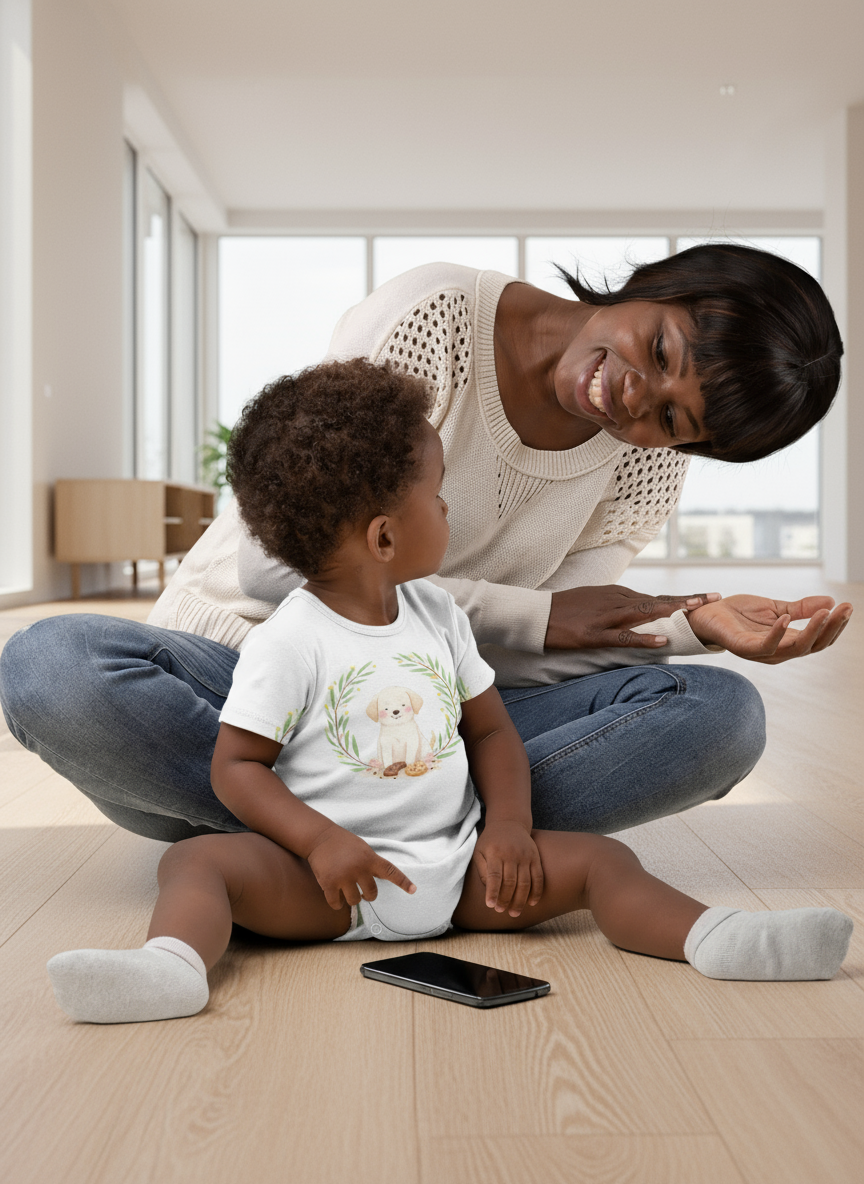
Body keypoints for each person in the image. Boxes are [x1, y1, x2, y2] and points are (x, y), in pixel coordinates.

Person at [46, 360, 853, 1024]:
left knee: (604, 862)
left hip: (465, 872)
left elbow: (493, 733)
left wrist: (507, 829)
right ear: (384, 536)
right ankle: (172, 968)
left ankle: (721, 939)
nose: (446, 505)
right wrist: (320, 842)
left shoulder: (437, 616)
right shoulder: (287, 641)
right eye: (437, 494)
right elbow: (237, 768)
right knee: (197, 862)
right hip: (329, 885)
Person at [0, 245, 853, 841]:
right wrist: (534, 616)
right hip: (242, 685)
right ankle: (416, 846)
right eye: (660, 349)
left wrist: (695, 627)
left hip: (423, 720)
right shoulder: (434, 317)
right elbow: (276, 567)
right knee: (51, 666)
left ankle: (301, 842)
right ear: (666, 284)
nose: (636, 396)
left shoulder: (642, 468)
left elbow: (543, 653)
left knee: (722, 716)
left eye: (672, 419)